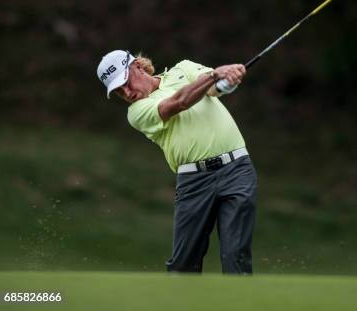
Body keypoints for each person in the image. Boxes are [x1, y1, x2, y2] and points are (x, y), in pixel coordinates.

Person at [96, 50, 257, 274]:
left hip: (237, 170)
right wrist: (214, 76)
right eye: (118, 92)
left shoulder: (184, 68)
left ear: (138, 67)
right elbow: (178, 102)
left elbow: (213, 90)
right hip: (194, 183)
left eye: (126, 82)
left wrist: (229, 80)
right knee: (183, 265)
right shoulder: (136, 112)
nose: (127, 92)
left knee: (235, 256)